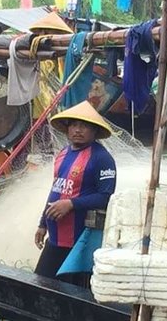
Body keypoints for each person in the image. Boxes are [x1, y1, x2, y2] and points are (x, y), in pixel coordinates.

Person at [34, 100, 116, 282]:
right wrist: (43, 224)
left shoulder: (102, 158)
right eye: (74, 125)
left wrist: (70, 204)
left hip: (79, 242)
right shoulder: (63, 153)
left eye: (84, 126)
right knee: (40, 284)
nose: (78, 130)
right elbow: (56, 188)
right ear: (67, 128)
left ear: (94, 131)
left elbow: (105, 197)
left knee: (72, 292)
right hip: (55, 238)